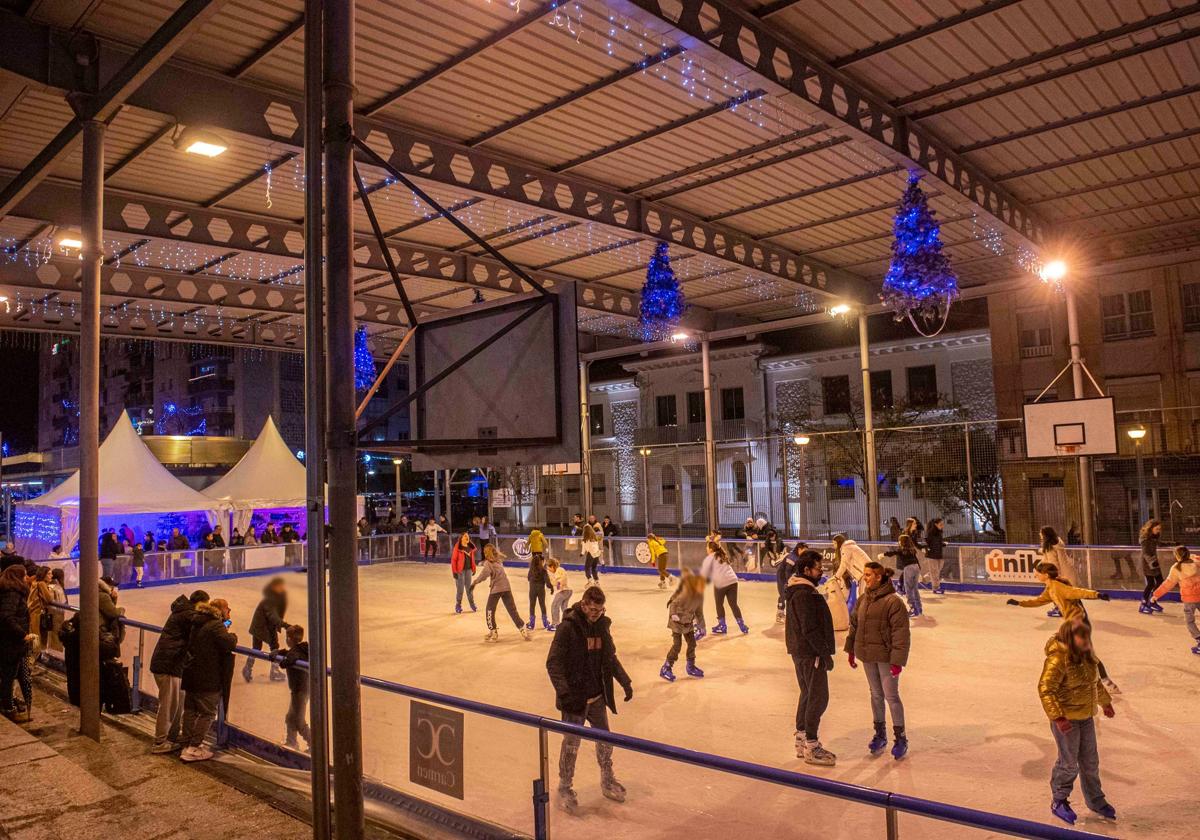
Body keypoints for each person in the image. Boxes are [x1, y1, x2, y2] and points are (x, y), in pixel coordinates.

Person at [545, 586, 632, 812]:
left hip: (596, 697)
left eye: (600, 610)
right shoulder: (568, 628)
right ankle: (565, 786)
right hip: (575, 700)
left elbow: (609, 658)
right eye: (593, 610)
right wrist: (565, 694)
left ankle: (607, 779)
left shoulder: (602, 627)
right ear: (583, 605)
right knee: (571, 745)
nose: (596, 614)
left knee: (605, 741)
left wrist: (625, 681)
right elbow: (553, 663)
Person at [1038, 619, 1117, 825]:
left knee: (1090, 762)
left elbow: (1095, 684)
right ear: (1070, 638)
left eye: (1087, 636)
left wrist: (1105, 703)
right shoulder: (1058, 659)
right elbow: (1046, 689)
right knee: (1069, 763)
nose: (1086, 640)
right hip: (1066, 721)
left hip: (1086, 717)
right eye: (1081, 636)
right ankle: (1059, 800)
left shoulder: (1088, 656)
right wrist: (1058, 717)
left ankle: (1095, 800)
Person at [1007, 562, 1119, 694]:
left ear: (1046, 575)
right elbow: (1039, 601)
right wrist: (1020, 603)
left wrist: (1097, 594)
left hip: (1079, 623)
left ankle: (1106, 683)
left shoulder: (1058, 587)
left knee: (1086, 655)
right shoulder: (1050, 588)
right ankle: (1080, 680)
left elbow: (1077, 592)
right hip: (1071, 624)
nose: (1035, 574)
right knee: (1070, 652)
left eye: (1037, 572)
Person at [845, 561, 910, 760]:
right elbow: (855, 625)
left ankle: (900, 738)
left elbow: (901, 633)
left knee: (891, 696)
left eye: (868, 575)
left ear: (879, 577)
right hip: (867, 655)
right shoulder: (863, 599)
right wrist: (850, 649)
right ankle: (880, 734)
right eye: (864, 575)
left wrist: (897, 660)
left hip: (885, 657)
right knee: (875, 694)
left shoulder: (893, 602)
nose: (865, 578)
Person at [786, 549, 837, 766]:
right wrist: (824, 653)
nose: (821, 572)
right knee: (818, 697)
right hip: (810, 652)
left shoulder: (800, 590)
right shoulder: (804, 593)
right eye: (818, 568)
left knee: (808, 694)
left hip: (802, 651)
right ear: (806, 570)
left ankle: (802, 739)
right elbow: (810, 627)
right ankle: (812, 745)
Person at [149, 589, 209, 753]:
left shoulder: (183, 611)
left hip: (171, 664)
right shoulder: (187, 614)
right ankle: (160, 742)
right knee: (168, 706)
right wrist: (223, 620)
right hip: (169, 665)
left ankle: (170, 738)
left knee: (176, 705)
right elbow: (204, 624)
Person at [180, 598, 237, 762]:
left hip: (191, 674)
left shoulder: (197, 622)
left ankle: (186, 743)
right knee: (207, 712)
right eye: (227, 608)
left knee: (190, 710)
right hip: (207, 675)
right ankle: (193, 747)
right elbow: (229, 643)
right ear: (220, 610)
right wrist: (231, 634)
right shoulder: (215, 625)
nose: (229, 611)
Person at [471, 544, 530, 642]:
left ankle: (493, 631)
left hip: (496, 590)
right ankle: (522, 628)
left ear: (486, 553)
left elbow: (483, 575)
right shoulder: (498, 560)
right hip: (506, 587)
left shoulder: (488, 564)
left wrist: (475, 582)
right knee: (512, 610)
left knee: (489, 611)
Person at [1153, 546, 1200, 653]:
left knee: (1189, 621)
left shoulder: (1176, 568)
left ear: (1177, 556)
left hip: (1189, 599)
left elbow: (1168, 584)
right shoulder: (1196, 562)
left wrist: (1156, 595)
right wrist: (1194, 557)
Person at [660, 571, 705, 682]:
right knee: (677, 646)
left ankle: (690, 666)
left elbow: (699, 613)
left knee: (692, 643)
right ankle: (666, 667)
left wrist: (702, 626)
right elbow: (673, 604)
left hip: (688, 624)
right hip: (677, 624)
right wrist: (674, 615)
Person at [0, 564, 31, 722]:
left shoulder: (9, 591)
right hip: (11, 641)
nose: (26, 578)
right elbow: (7, 617)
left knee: (11, 675)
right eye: (24, 575)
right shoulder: (13, 593)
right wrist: (22, 634)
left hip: (12, 641)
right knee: (8, 676)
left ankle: (10, 704)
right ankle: (8, 708)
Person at [243, 577, 288, 682]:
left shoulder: (276, 598)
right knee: (266, 648)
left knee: (263, 647)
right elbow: (273, 616)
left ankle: (249, 668)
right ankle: (250, 668)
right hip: (262, 627)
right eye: (280, 586)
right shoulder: (270, 600)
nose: (282, 588)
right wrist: (285, 625)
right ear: (274, 587)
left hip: (265, 626)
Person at [701, 543, 748, 634]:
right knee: (733, 604)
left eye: (707, 547)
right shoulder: (722, 554)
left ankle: (722, 626)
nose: (706, 548)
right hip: (733, 580)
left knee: (719, 604)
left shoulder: (710, 558)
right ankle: (742, 625)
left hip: (721, 582)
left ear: (711, 549)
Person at [278, 624, 311, 751]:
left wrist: (283, 659)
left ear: (290, 639)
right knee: (290, 717)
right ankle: (291, 742)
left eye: (287, 637)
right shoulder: (302, 649)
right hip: (300, 689)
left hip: (300, 690)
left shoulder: (296, 652)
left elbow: (288, 660)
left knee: (299, 721)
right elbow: (291, 654)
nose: (286, 639)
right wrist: (281, 652)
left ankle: (314, 744)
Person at [884, 534, 923, 618]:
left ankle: (913, 608)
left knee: (908, 589)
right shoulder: (912, 550)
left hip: (909, 568)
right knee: (914, 588)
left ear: (902, 542)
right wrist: (919, 569)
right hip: (916, 567)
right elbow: (916, 560)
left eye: (899, 541)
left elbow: (892, 552)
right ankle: (919, 608)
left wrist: (883, 554)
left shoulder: (901, 550)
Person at [1040, 527, 1076, 616]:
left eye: (1041, 533)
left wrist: (1054, 575)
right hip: (1066, 570)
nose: (1039, 535)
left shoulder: (1050, 547)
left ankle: (1059, 609)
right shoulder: (1056, 543)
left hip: (1059, 572)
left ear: (1045, 535)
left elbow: (1053, 563)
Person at [1139, 519, 1167, 615]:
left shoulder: (1154, 537)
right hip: (1148, 564)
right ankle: (1143, 605)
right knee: (1150, 583)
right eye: (1157, 529)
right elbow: (1146, 553)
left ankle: (1152, 601)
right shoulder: (1145, 539)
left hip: (1154, 562)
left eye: (1159, 529)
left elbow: (1160, 544)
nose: (1158, 531)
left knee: (1160, 581)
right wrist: (1152, 562)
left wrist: (1174, 543)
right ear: (1151, 528)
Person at [527, 545, 554, 631]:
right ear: (541, 561)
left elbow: (528, 578)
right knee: (542, 605)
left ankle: (532, 624)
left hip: (532, 590)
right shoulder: (543, 571)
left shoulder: (531, 570)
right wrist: (551, 587)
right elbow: (547, 582)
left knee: (532, 605)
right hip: (541, 590)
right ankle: (545, 623)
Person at [26, 567, 54, 650]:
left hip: (33, 612)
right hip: (37, 613)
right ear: (43, 575)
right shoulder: (42, 584)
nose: (51, 576)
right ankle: (34, 658)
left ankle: (34, 658)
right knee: (37, 636)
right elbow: (49, 599)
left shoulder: (35, 583)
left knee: (34, 636)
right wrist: (51, 591)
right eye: (49, 574)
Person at [775, 541, 803, 623]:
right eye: (804, 550)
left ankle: (791, 614)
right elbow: (787, 571)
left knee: (790, 595)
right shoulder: (792, 557)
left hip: (788, 577)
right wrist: (788, 582)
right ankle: (780, 614)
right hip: (782, 577)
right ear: (799, 549)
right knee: (784, 595)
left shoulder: (798, 557)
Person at [450, 533, 478, 614]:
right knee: (460, 589)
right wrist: (454, 572)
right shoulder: (458, 548)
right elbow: (454, 560)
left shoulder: (470, 548)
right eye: (465, 536)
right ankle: (458, 605)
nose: (467, 537)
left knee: (469, 588)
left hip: (468, 570)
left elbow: (472, 559)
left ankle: (472, 604)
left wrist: (474, 568)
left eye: (468, 536)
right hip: (460, 571)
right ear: (461, 538)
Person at [923, 518, 946, 595]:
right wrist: (927, 548)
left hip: (939, 554)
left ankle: (925, 578)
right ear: (936, 524)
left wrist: (943, 544)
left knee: (937, 570)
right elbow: (927, 542)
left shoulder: (939, 533)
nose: (942, 526)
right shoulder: (930, 533)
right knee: (935, 572)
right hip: (932, 555)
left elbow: (938, 543)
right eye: (941, 524)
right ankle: (936, 588)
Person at [547, 557, 572, 627]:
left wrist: (558, 584)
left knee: (554, 606)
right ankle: (568, 622)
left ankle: (555, 624)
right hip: (567, 591)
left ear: (552, 566)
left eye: (550, 569)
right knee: (564, 608)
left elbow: (561, 579)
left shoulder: (559, 570)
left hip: (564, 591)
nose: (550, 571)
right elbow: (555, 581)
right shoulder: (558, 571)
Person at [581, 516, 602, 585]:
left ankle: (589, 580)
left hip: (591, 554)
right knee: (594, 567)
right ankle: (596, 581)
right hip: (596, 554)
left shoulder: (585, 539)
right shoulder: (594, 538)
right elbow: (597, 545)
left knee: (587, 567)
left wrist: (582, 553)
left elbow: (584, 547)